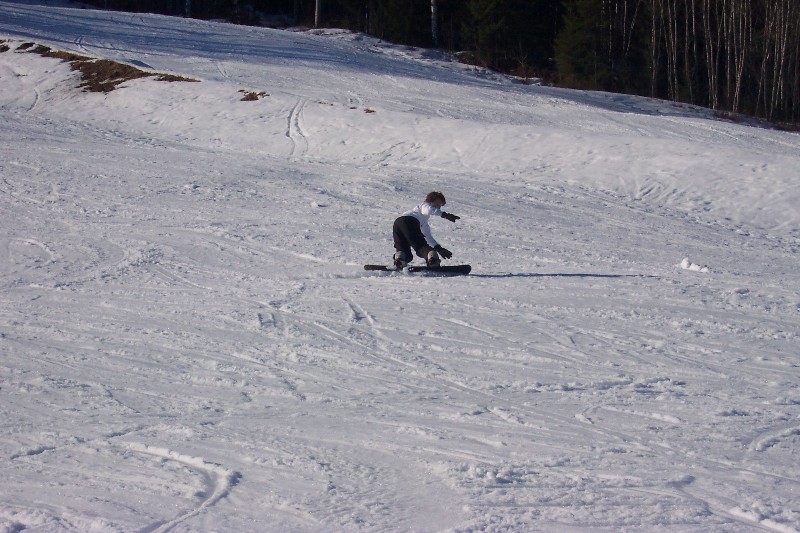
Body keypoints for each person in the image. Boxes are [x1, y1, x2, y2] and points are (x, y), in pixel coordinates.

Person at [392, 191, 460, 268]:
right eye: (438, 204)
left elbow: (427, 236)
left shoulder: (422, 220)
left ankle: (399, 260)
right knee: (421, 247)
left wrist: (438, 248)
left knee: (404, 251)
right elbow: (428, 210)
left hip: (397, 224)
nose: (438, 207)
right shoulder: (425, 205)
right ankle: (433, 260)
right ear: (432, 200)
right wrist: (445, 215)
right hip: (410, 222)